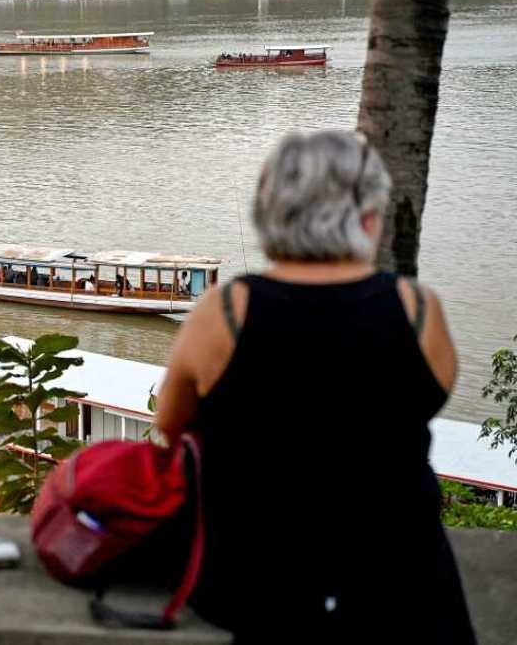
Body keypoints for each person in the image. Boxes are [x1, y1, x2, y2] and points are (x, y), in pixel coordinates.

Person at [154, 131, 475, 644]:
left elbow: (170, 428)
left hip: (254, 588)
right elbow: (427, 400)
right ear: (369, 215)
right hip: (403, 585)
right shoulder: (417, 310)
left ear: (270, 212)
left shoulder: (225, 313)